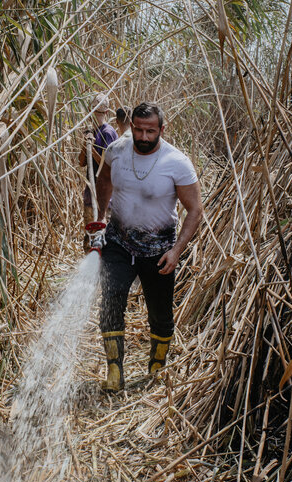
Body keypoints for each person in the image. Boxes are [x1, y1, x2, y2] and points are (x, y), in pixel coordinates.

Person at [92, 102, 203, 391]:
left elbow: (195, 210)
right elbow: (103, 181)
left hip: (159, 250)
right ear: (132, 126)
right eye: (139, 130)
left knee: (160, 312)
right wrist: (99, 220)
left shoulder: (177, 163)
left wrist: (176, 251)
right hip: (118, 242)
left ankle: (156, 366)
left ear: (162, 129)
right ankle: (114, 371)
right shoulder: (116, 150)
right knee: (111, 300)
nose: (143, 137)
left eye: (150, 131)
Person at [78, 93, 118, 242]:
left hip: (105, 198)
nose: (96, 116)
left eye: (98, 113)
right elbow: (81, 162)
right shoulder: (92, 131)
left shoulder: (108, 133)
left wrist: (93, 148)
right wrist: (86, 144)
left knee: (104, 239)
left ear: (106, 113)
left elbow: (108, 166)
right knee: (90, 237)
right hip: (91, 193)